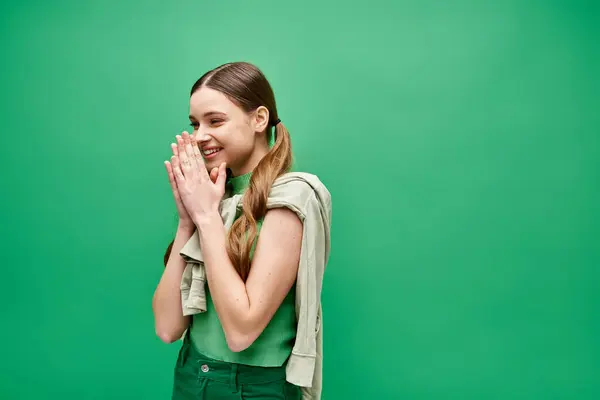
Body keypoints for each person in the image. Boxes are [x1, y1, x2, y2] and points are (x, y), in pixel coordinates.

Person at [152, 61, 332, 400]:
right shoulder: (215, 198)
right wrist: (187, 221)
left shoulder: (292, 198)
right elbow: (166, 327)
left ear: (259, 119)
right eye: (194, 123)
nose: (200, 135)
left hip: (251, 389)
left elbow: (240, 332)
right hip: (191, 375)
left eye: (215, 120)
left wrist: (206, 218)